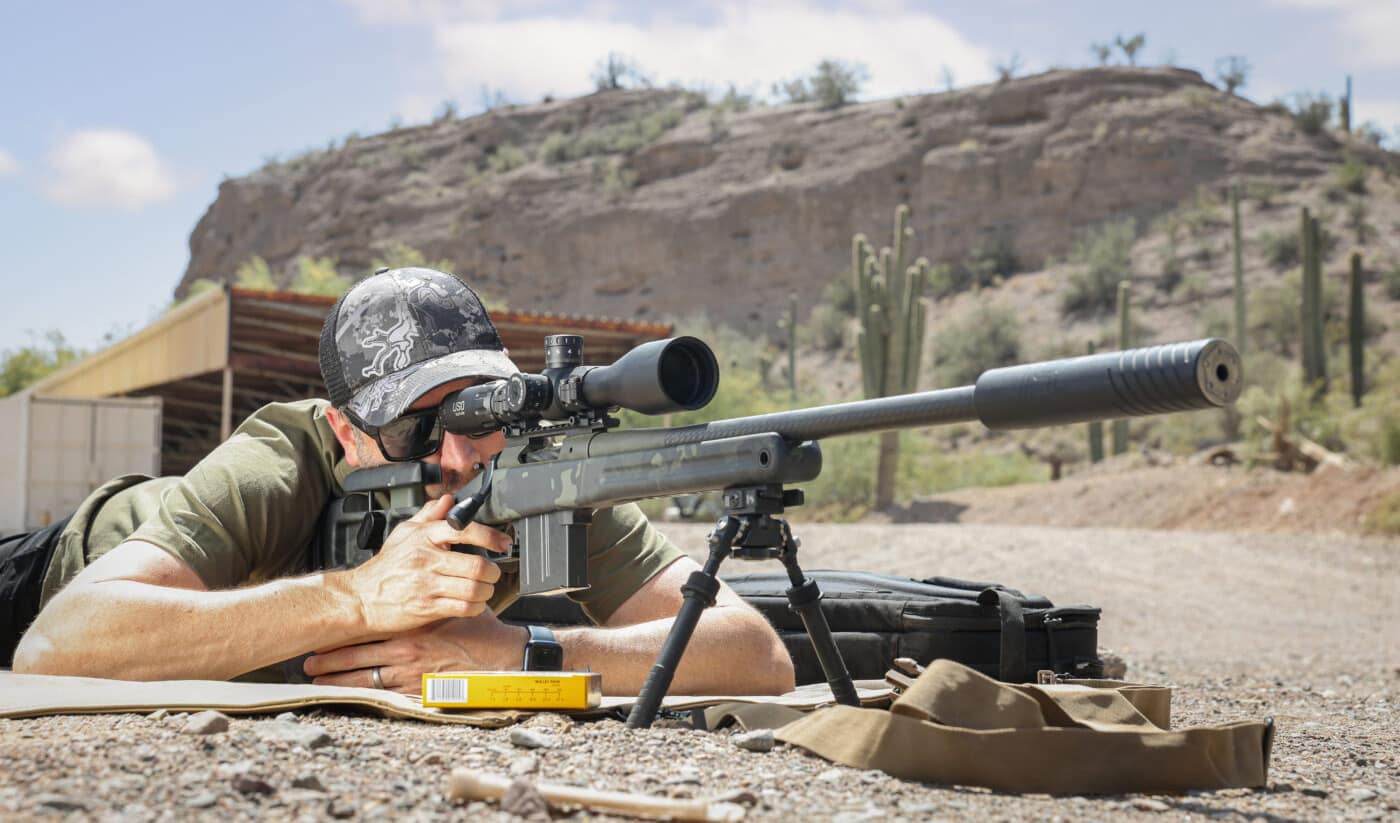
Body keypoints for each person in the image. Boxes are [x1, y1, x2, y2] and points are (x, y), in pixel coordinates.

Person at [6, 268, 796, 696]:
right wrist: (355, 598)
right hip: (54, 570)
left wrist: (525, 653)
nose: (455, 456)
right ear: (343, 428)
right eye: (414, 428)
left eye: (473, 412)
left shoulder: (533, 472)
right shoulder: (279, 457)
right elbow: (54, 645)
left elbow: (756, 657)